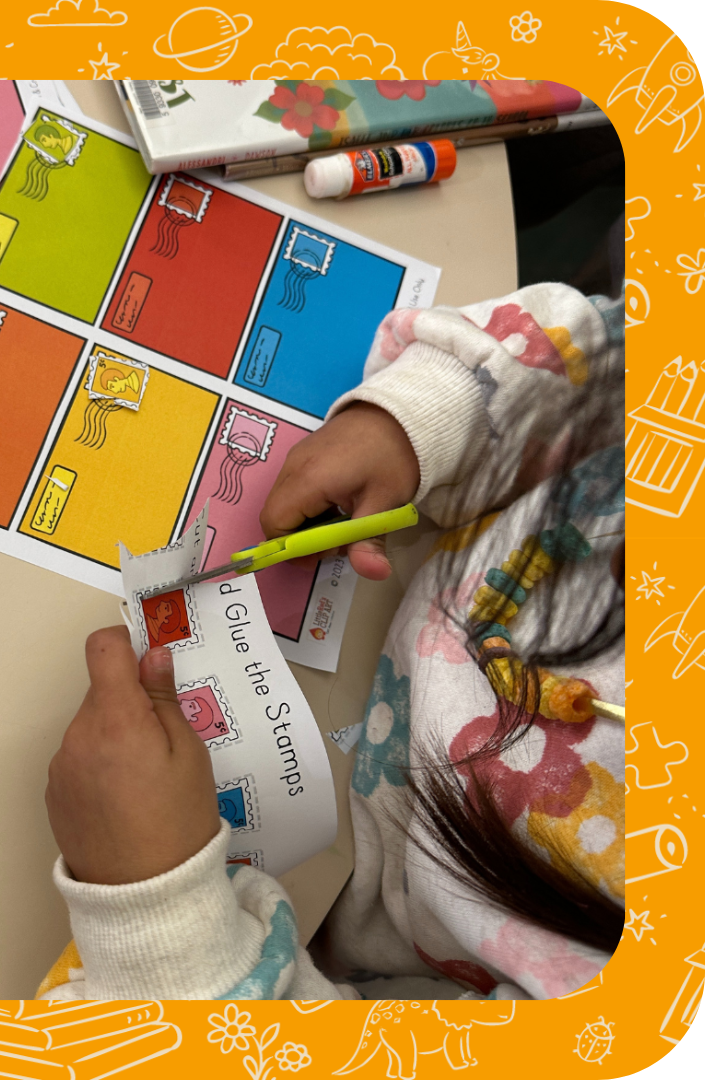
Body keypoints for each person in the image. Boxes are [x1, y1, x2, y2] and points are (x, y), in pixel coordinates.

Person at [40, 281, 625, 1001]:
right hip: (384, 614)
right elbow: (599, 348)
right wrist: (426, 418)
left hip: (309, 915)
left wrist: (155, 920)